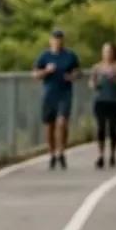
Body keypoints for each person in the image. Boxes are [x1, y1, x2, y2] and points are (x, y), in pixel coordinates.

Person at [33, 29, 81, 169]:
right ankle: (52, 154)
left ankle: (62, 152)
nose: (57, 42)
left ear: (63, 41)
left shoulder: (70, 55)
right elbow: (35, 75)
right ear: (50, 41)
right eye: (55, 39)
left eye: (60, 39)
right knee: (49, 127)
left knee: (62, 123)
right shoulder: (44, 56)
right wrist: (46, 71)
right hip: (49, 95)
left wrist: (72, 76)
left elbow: (78, 71)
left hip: (64, 94)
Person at [90, 42, 116, 168]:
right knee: (101, 128)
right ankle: (101, 155)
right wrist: (94, 85)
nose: (107, 54)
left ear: (113, 53)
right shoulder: (97, 67)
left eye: (109, 51)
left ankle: (112, 154)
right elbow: (91, 82)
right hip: (101, 101)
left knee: (112, 128)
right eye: (104, 51)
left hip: (114, 101)